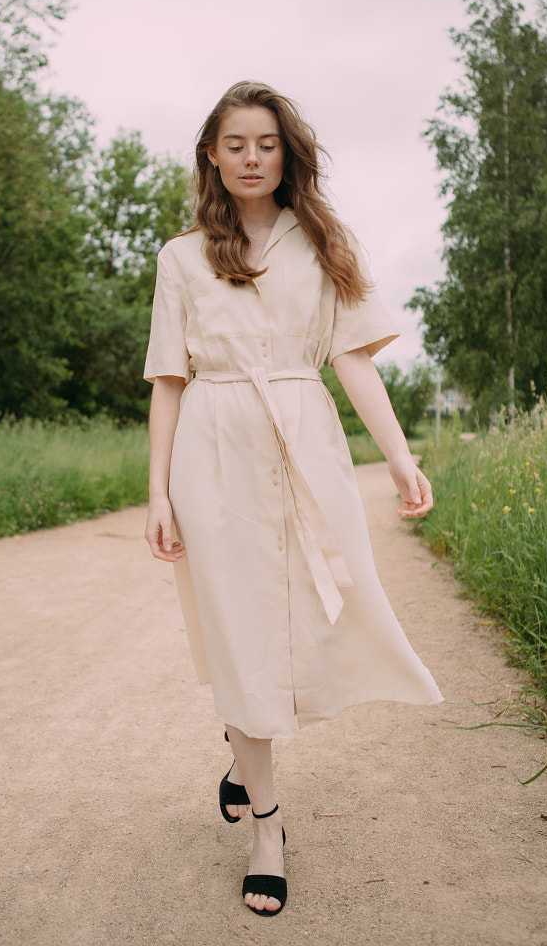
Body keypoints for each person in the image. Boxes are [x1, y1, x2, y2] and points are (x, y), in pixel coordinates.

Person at [144, 80, 442, 917]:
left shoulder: (322, 240)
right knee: (240, 631)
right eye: (234, 143)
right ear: (211, 153)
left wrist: (398, 455)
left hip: (304, 437)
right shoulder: (181, 255)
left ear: (287, 153)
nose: (249, 157)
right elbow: (169, 379)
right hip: (213, 446)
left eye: (265, 143)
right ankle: (267, 829)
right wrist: (158, 492)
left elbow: (352, 359)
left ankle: (242, 760)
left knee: (317, 616)